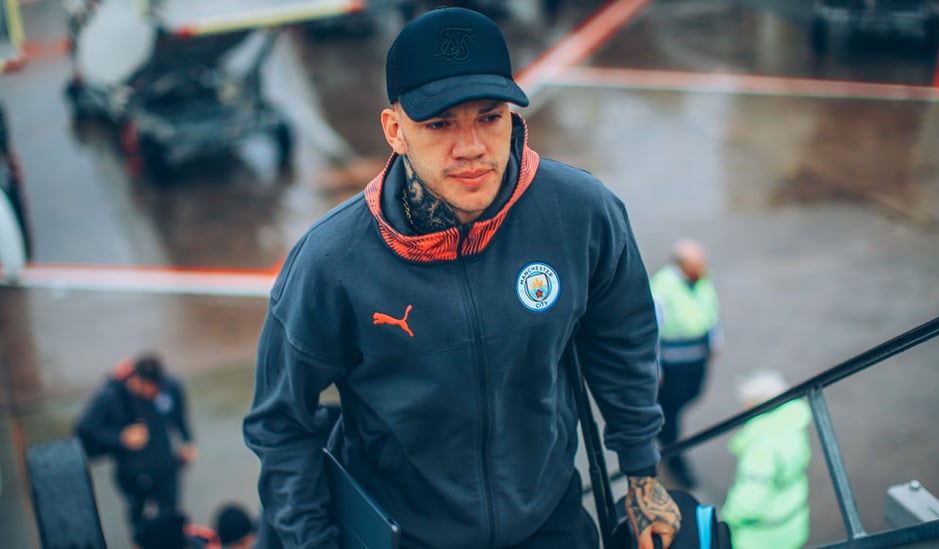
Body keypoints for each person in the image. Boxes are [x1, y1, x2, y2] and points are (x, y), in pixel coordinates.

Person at [243, 7, 681, 549]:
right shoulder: (330, 262)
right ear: (395, 131)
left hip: (548, 521)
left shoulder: (581, 212)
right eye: (439, 123)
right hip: (408, 535)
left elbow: (624, 339)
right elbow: (281, 424)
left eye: (489, 116)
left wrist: (641, 472)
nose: (470, 146)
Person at [75, 352, 198, 533]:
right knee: (139, 519)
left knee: (171, 515)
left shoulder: (170, 387)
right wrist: (120, 436)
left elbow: (179, 416)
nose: (154, 393)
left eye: (158, 388)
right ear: (137, 379)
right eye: (150, 388)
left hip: (165, 466)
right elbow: (84, 430)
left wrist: (188, 442)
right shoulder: (112, 396)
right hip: (132, 473)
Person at [649, 238, 723, 489]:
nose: (703, 268)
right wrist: (655, 367)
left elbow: (710, 309)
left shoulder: (701, 280)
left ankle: (667, 435)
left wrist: (715, 340)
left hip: (697, 357)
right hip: (673, 364)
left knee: (690, 396)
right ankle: (672, 456)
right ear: (682, 264)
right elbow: (652, 330)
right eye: (697, 264)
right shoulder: (662, 288)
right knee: (670, 413)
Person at [721, 370, 811, 549]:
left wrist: (727, 517)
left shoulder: (761, 447)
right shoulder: (793, 425)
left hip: (760, 537)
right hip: (792, 521)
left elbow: (750, 501)